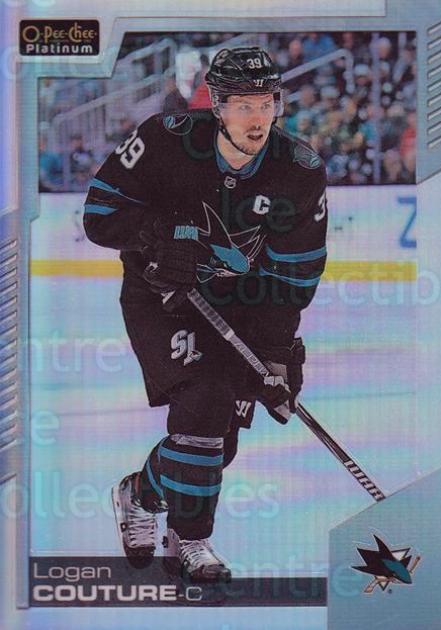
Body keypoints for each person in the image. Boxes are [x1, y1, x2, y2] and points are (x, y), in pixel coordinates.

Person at [83, 46, 328, 583]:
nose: (257, 118)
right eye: (243, 105)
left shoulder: (298, 171)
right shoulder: (163, 140)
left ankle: (140, 494)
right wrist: (156, 237)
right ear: (217, 105)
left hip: (239, 305)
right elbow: (99, 214)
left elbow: (294, 277)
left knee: (218, 443)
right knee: (206, 397)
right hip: (160, 296)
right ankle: (190, 539)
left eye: (266, 103)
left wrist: (277, 354)